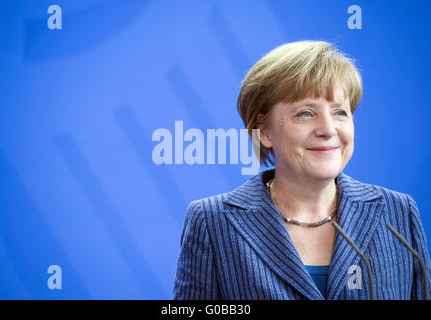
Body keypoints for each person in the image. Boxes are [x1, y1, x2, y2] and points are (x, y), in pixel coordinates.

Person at [173, 40, 431, 300]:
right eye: (306, 114)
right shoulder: (212, 221)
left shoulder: (398, 213)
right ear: (264, 131)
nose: (328, 129)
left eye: (340, 112)